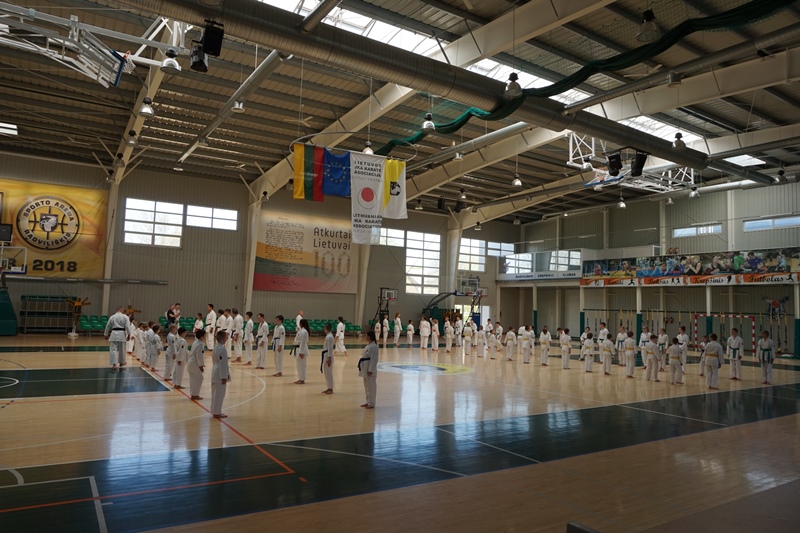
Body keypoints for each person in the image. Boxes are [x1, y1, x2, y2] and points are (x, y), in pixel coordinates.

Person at [210, 330, 230, 418]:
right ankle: (217, 412)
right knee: (219, 394)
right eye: (226, 336)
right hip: (219, 374)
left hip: (215, 371)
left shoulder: (216, 347)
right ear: (223, 338)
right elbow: (223, 364)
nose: (227, 338)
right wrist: (224, 376)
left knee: (215, 394)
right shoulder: (222, 349)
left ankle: (214, 410)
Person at [359, 331, 379, 408]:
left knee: (371, 386)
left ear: (369, 337)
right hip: (365, 367)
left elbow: (374, 359)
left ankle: (371, 403)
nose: (365, 337)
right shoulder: (369, 345)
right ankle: (368, 401)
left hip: (370, 369)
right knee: (367, 386)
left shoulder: (374, 346)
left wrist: (371, 369)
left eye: (366, 335)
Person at [187, 330, 206, 400]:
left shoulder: (195, 342)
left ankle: (193, 394)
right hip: (195, 363)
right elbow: (199, 356)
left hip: (191, 362)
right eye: (204, 335)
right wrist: (201, 365)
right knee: (199, 378)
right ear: (202, 336)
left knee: (193, 379)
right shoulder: (200, 344)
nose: (205, 336)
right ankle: (195, 394)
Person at [294, 318, 310, 384]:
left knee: (302, 365)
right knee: (299, 365)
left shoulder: (304, 332)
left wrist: (301, 352)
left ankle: (302, 379)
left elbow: (303, 342)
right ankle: (300, 378)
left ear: (301, 324)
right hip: (298, 348)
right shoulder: (301, 331)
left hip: (302, 350)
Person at [321, 323, 335, 394]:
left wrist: (329, 358)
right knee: (326, 372)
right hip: (326, 355)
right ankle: (328, 387)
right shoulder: (328, 336)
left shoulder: (329, 337)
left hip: (328, 356)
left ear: (326, 329)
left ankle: (330, 388)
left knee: (328, 373)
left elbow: (330, 348)